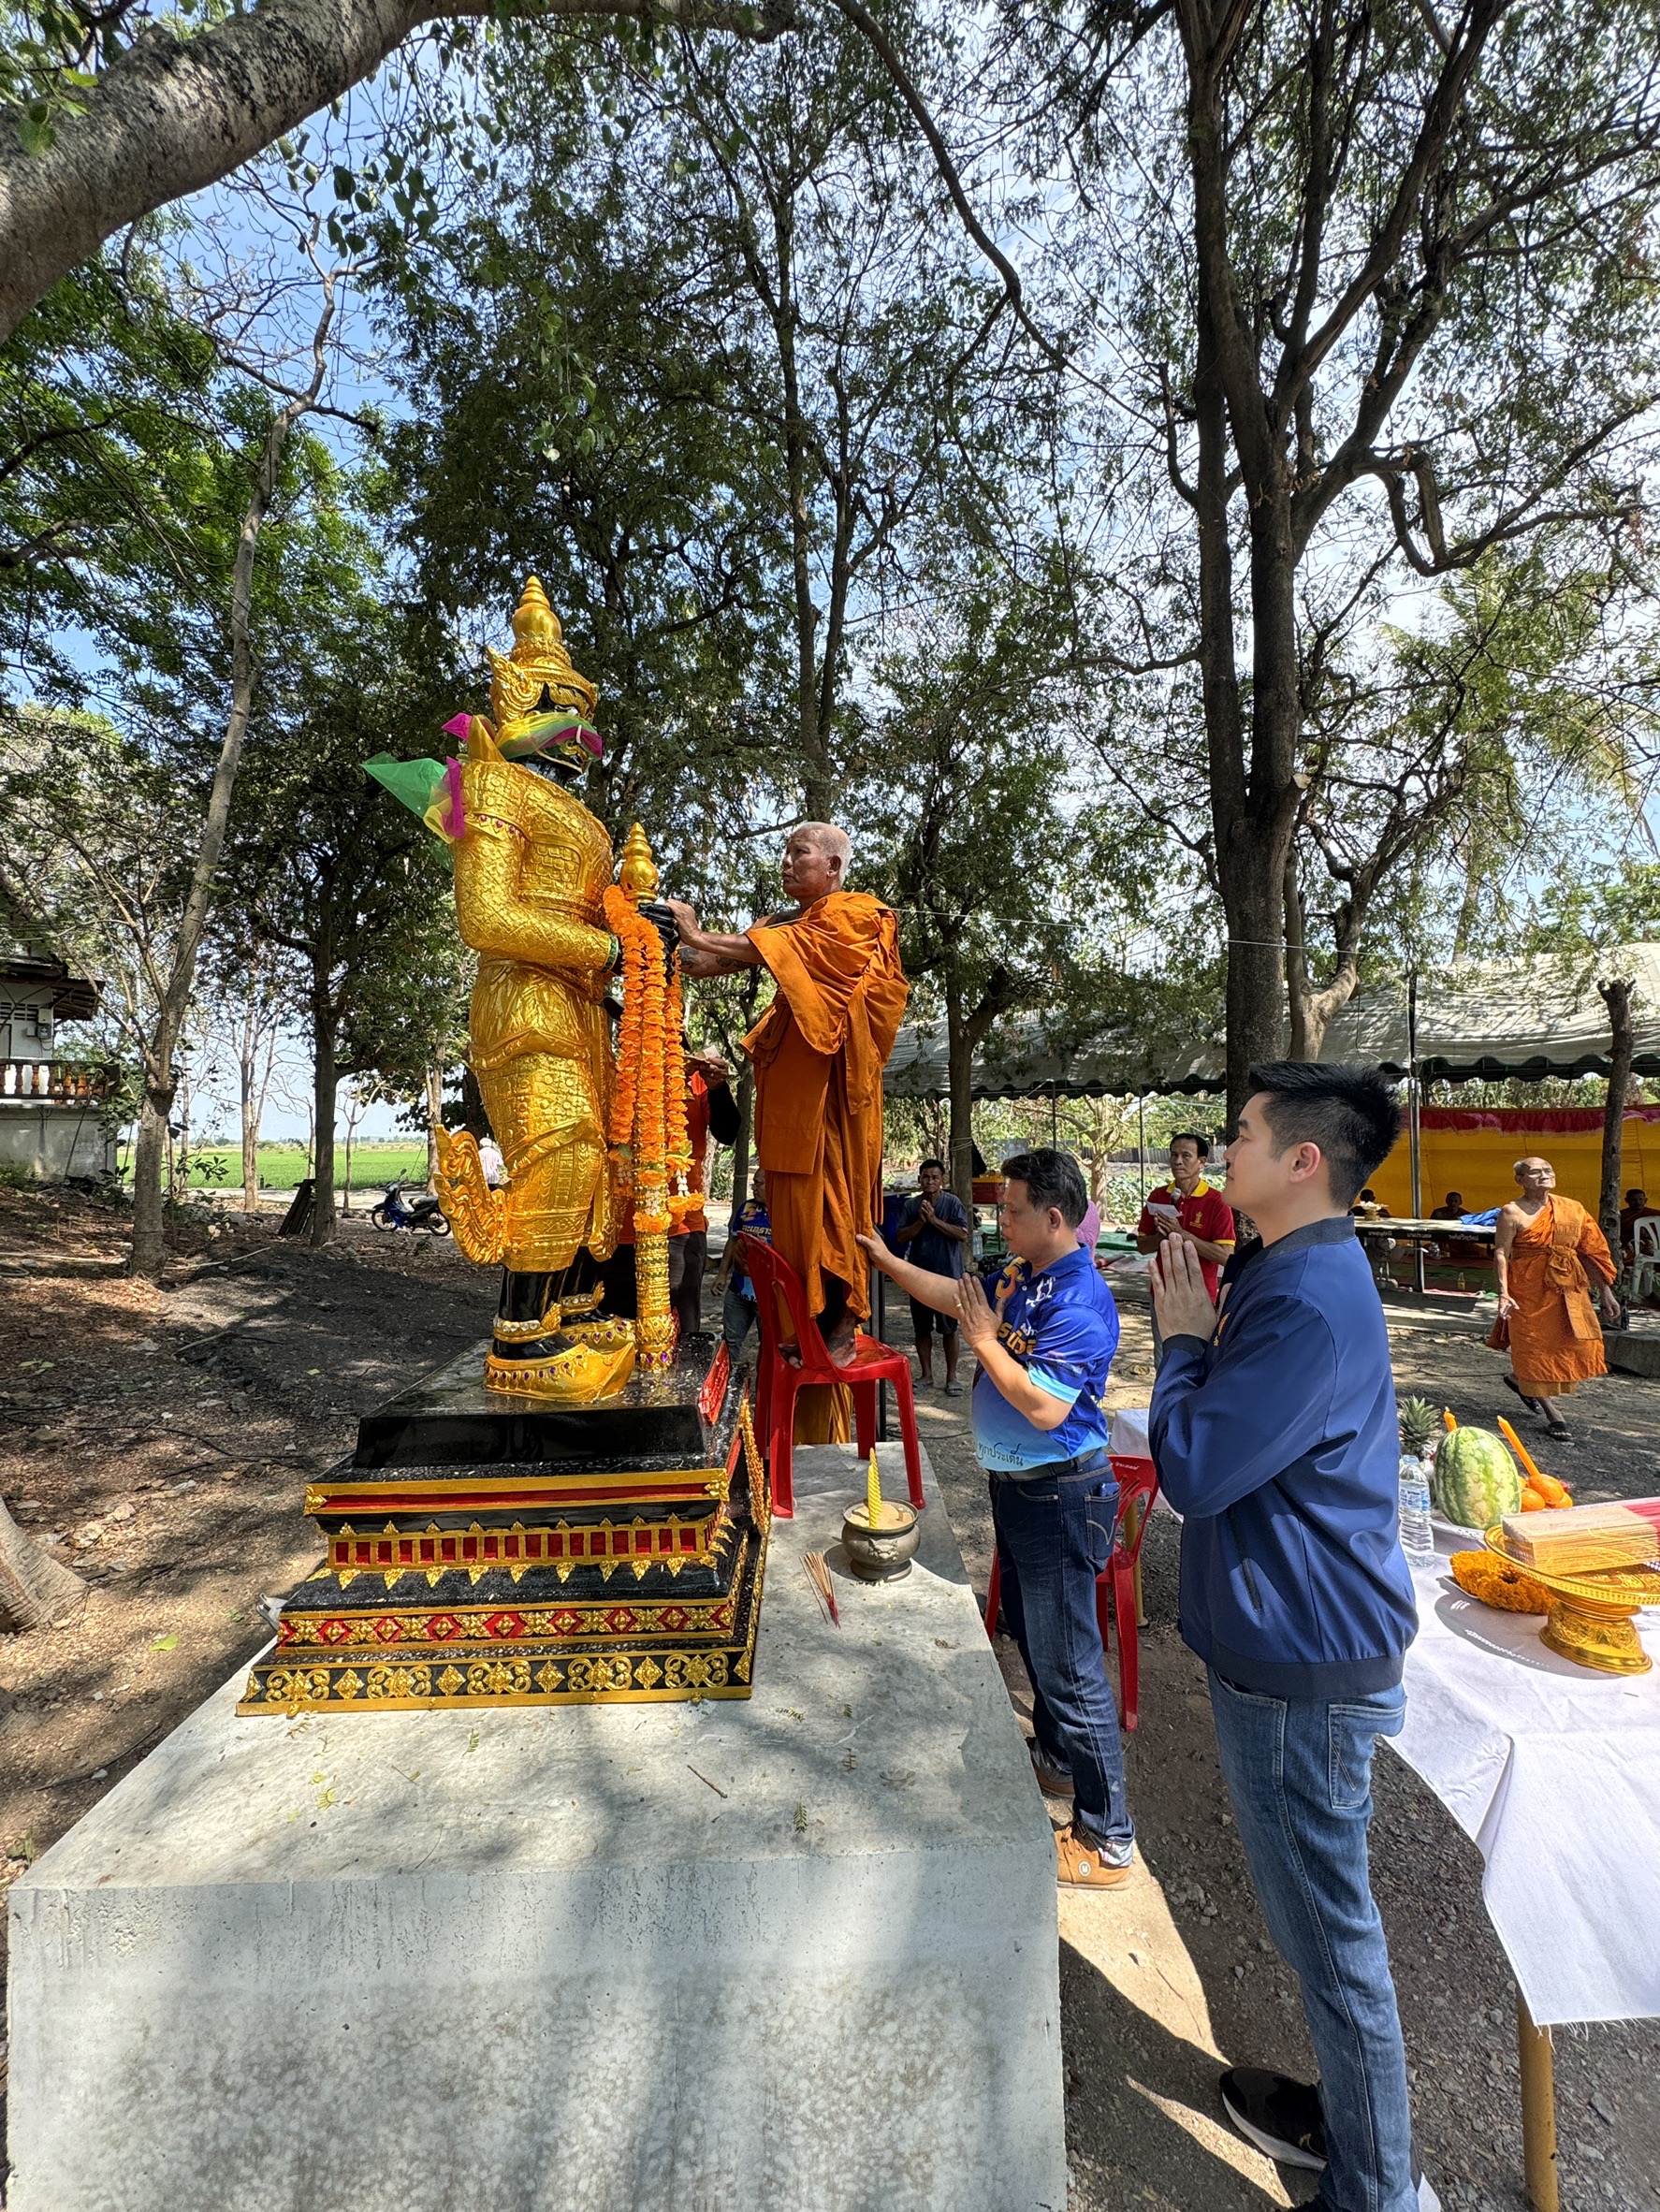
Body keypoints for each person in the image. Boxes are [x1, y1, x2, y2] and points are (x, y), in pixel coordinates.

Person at [1149, 1063, 1434, 2212]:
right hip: (1284, 1639)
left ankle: (1377, 2191)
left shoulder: (1312, 1299)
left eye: (1245, 1133)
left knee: (1332, 1941)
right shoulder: (1286, 1268)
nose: (1227, 1150)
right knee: (1315, 1928)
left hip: (1303, 1665)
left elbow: (1198, 1469)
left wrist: (1177, 1342)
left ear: (1302, 1161)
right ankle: (1352, 2128)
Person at [860, 1147, 1135, 1889]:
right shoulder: (1024, 1278)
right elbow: (958, 1299)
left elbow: (1045, 1406)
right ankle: (1055, 1760)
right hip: (1019, 1489)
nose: (999, 1220)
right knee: (1040, 1645)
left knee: (1072, 1664)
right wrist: (887, 1260)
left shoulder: (1078, 1297)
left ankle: (1108, 1838)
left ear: (1054, 1217)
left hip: (1060, 1492)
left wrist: (983, 1342)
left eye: (1011, 1210)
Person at [668, 823, 909, 1438]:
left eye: (797, 852)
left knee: (832, 1214)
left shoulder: (855, 915)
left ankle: (836, 1323)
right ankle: (807, 1329)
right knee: (794, 1227)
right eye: (787, 851)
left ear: (832, 864)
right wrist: (663, 942)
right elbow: (711, 960)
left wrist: (698, 929)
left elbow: (774, 949)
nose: (786, 861)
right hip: (792, 1119)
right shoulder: (787, 926)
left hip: (832, 1112)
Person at [598, 1046, 741, 1335]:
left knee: (678, 1337)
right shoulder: (614, 1078)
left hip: (679, 1232)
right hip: (617, 1235)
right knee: (614, 1339)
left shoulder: (696, 1079)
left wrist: (719, 1088)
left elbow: (728, 1131)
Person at [1493, 1156, 1620, 1443]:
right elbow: (1501, 1253)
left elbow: (1590, 1252)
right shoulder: (1511, 1212)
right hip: (1526, 1291)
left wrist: (1605, 1291)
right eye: (1534, 1172)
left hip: (1567, 1289)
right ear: (1520, 1180)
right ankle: (1553, 1413)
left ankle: (1518, 1380)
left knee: (1567, 1344)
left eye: (1548, 1170)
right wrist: (1503, 1293)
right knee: (1532, 1349)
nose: (1543, 1175)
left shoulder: (1572, 1210)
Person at [1136, 1132, 1235, 1362]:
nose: (1178, 1161)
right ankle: (1164, 1397)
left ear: (1202, 1162)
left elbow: (1225, 1256)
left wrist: (1182, 1234)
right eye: (1174, 1155)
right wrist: (1162, 1235)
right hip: (1162, 1292)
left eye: (1186, 1156)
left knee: (1200, 1354)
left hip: (1201, 1294)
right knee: (1163, 1355)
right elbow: (1142, 1247)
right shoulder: (1158, 1196)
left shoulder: (1217, 1202)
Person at [894, 1157, 971, 1392]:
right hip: (918, 1277)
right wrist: (921, 1221)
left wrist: (934, 1220)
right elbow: (900, 1237)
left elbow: (962, 1234)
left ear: (942, 1180)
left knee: (950, 1329)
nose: (930, 1182)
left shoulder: (952, 1203)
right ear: (919, 1179)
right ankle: (926, 1375)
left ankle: (951, 1377)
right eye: (926, 1177)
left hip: (948, 1277)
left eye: (935, 1178)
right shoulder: (911, 1206)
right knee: (922, 1328)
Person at [715, 1167, 770, 1361]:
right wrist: (722, 1274)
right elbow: (733, 1241)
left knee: (770, 1348)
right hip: (738, 1291)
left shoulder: (784, 1213)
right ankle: (728, 1385)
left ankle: (763, 1390)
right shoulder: (746, 1208)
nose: (754, 1188)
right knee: (730, 1343)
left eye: (759, 1184)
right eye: (753, 1183)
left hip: (768, 1297)